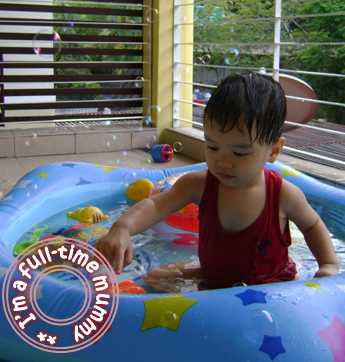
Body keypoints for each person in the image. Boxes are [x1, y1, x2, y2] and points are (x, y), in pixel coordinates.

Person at [96, 72, 339, 291]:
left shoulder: (283, 194)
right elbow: (157, 205)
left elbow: (312, 225)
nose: (223, 162)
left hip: (272, 287)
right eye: (212, 146)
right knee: (156, 278)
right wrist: (122, 227)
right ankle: (196, 273)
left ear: (273, 151)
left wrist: (327, 264)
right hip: (215, 282)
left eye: (239, 152)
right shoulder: (198, 185)